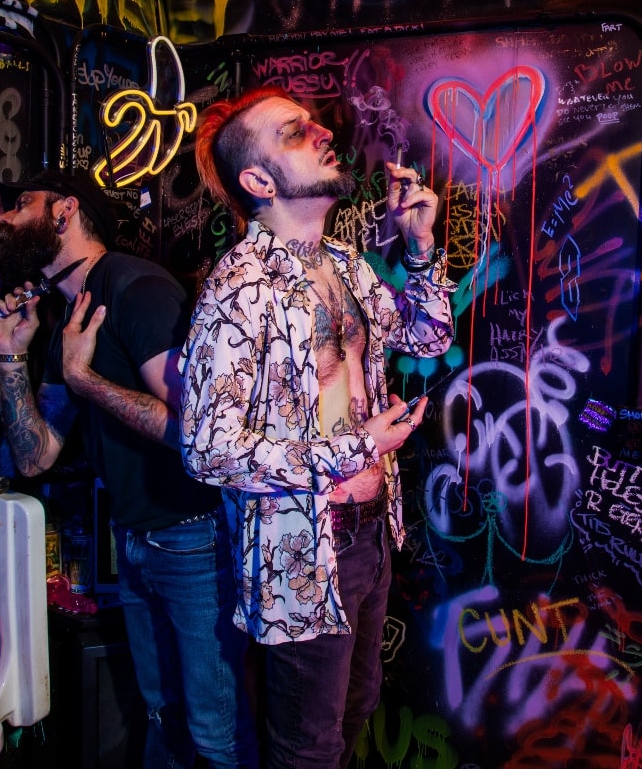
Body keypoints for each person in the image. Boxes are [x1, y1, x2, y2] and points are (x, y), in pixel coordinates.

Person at [181, 86, 456, 769]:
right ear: (259, 181)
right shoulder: (239, 290)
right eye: (294, 131)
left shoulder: (342, 263)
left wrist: (420, 246)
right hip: (302, 548)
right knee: (308, 746)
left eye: (313, 124)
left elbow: (426, 338)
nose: (323, 132)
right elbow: (207, 449)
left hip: (371, 532)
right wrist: (360, 447)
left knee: (358, 706)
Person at [0, 169, 258, 769]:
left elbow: (200, 436)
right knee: (163, 714)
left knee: (216, 734)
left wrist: (85, 379)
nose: (3, 218)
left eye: (21, 203)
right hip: (134, 539)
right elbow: (36, 456)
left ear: (65, 210)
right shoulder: (68, 318)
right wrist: (10, 356)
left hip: (193, 538)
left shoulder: (137, 289)